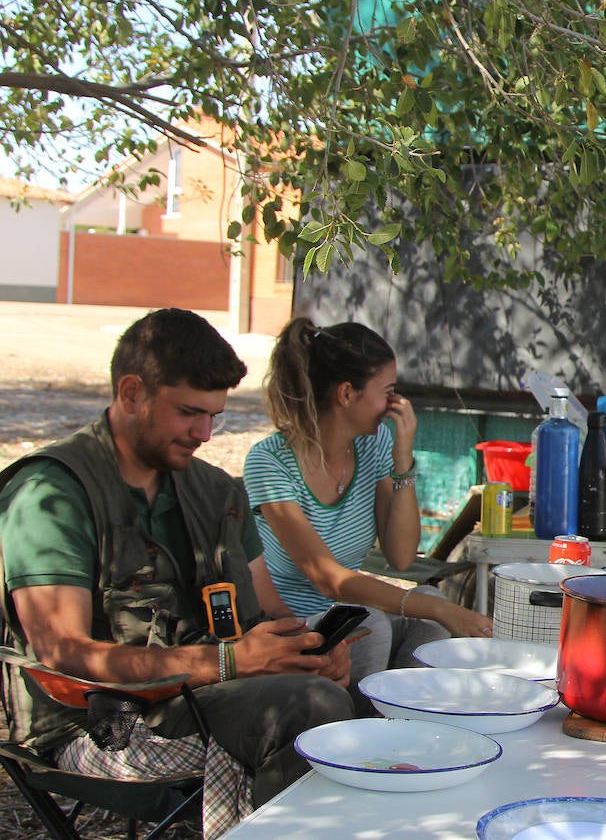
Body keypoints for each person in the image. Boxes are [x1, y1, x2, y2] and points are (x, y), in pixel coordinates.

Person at [0, 308, 354, 838]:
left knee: (360, 681)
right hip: (99, 725)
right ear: (131, 393)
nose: (205, 433)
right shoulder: (51, 493)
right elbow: (64, 654)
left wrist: (312, 645)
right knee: (308, 708)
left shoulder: (214, 491)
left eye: (216, 416)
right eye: (190, 413)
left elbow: (267, 603)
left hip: (207, 696)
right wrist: (231, 661)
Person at [243, 318, 490, 711]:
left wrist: (403, 459)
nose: (397, 404)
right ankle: (359, 735)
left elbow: (402, 556)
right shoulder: (270, 462)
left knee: (428, 609)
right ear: (346, 394)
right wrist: (444, 606)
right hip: (290, 626)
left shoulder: (373, 450)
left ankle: (409, 724)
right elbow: (328, 580)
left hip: (343, 616)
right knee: (370, 623)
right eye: (388, 392)